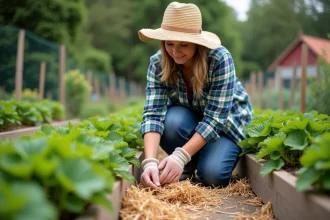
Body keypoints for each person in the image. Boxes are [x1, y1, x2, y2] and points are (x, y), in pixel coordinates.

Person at [138, 2, 253, 189]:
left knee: (213, 177)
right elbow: (153, 114)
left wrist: (180, 155)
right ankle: (192, 162)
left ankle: (200, 157)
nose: (175, 52)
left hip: (226, 125)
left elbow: (215, 119)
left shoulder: (219, 59)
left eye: (183, 44)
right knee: (172, 123)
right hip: (189, 120)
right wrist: (149, 162)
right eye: (169, 44)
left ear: (197, 43)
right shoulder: (158, 63)